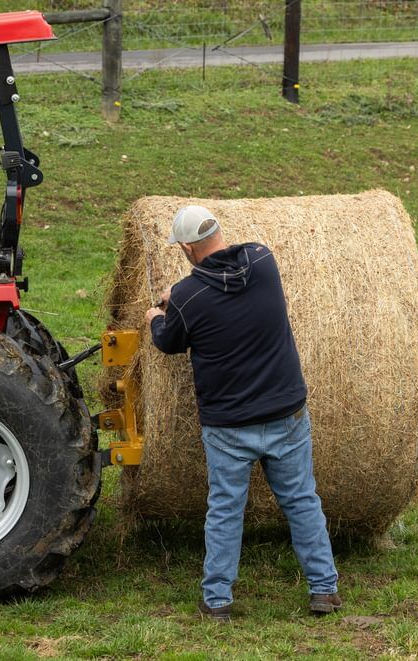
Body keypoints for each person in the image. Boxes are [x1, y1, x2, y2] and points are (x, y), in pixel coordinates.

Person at [144, 205, 341, 622]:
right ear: (217, 231)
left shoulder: (187, 297)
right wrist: (176, 297)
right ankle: (323, 590)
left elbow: (169, 342)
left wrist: (156, 316)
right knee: (303, 500)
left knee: (225, 510)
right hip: (285, 412)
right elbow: (228, 268)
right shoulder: (263, 260)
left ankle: (217, 601)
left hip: (229, 425)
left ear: (185, 248)